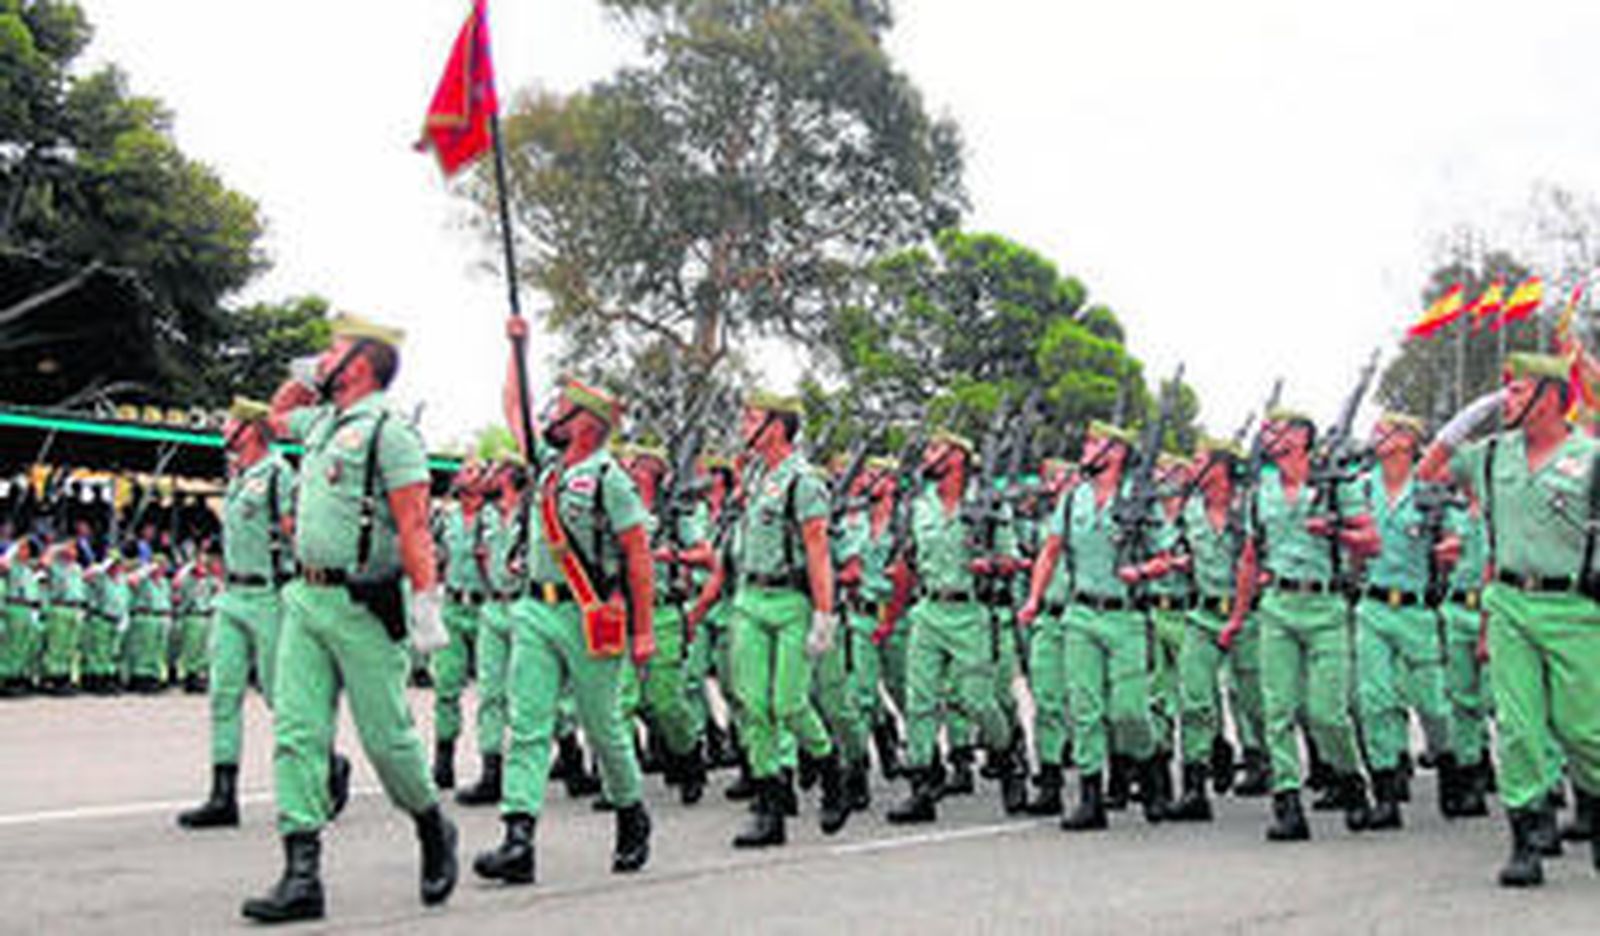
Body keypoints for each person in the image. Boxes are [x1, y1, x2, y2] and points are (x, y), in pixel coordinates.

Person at [243, 315, 457, 923]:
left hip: (363, 607)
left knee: (387, 741)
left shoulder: (392, 431)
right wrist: (304, 375)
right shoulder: (323, 422)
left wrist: (426, 604)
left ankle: (431, 823)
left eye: (335, 348)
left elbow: (414, 524)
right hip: (305, 600)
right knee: (297, 736)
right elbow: (274, 417)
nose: (323, 355)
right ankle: (301, 873)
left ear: (363, 361)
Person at [474, 317, 655, 885]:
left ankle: (631, 812)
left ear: (586, 424)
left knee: (603, 726)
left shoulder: (609, 478)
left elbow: (638, 557)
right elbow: (513, 403)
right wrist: (515, 347)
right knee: (527, 723)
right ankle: (518, 839)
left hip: (589, 615)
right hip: (533, 609)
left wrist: (643, 630)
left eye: (561, 412)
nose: (550, 417)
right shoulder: (549, 470)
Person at [1420, 352, 1600, 887]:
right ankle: (1526, 836)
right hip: (1509, 602)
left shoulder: (1591, 456)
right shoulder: (1492, 454)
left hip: (1575, 607)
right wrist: (1473, 413)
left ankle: (1593, 803)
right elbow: (1429, 469)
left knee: (1583, 729)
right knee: (1519, 728)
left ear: (1550, 398)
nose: (1509, 401)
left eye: (1519, 392)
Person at [178, 397, 352, 833]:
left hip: (271, 599)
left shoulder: (278, 474)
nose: (224, 428)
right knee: (223, 693)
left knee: (284, 701)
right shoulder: (237, 477)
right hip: (233, 596)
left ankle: (327, 765)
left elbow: (300, 530)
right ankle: (223, 795)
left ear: (252, 430)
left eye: (231, 422)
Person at [1222, 408, 1373, 842]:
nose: (1270, 437)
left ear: (1304, 437)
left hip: (1325, 606)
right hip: (1278, 606)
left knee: (1327, 713)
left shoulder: (1335, 484)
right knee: (1278, 708)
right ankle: (1287, 801)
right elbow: (1250, 558)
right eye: (1268, 431)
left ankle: (1350, 778)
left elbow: (1371, 540)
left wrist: (1337, 532)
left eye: (1280, 429)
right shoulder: (1260, 491)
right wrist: (1237, 615)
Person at [1020, 422, 1165, 831]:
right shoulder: (1073, 500)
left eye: (1095, 442)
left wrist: (1143, 570)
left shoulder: (1141, 499)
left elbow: (1169, 555)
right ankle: (1090, 797)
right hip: (1081, 614)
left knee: (1128, 710)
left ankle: (1150, 763)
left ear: (1117, 453)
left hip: (1127, 616)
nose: (1085, 448)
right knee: (1085, 708)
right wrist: (1034, 598)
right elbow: (1050, 553)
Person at [721, 391, 851, 847]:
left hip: (792, 601)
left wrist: (824, 614)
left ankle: (830, 766)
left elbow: (818, 550)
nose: (743, 424)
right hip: (750, 598)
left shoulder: (804, 481)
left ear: (776, 425)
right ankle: (769, 807)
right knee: (753, 706)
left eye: (752, 417)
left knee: (789, 703)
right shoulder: (757, 475)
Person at [887, 430, 1028, 825]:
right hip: (929, 609)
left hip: (971, 614)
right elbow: (908, 559)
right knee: (920, 702)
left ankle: (1007, 754)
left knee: (976, 700)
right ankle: (921, 786)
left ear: (958, 457)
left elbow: (1014, 559)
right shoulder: (920, 506)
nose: (927, 455)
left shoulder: (989, 504)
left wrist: (992, 565)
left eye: (935, 449)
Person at [1347, 412, 1458, 829]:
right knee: (1376, 700)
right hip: (1373, 606)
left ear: (1409, 440)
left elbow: (1454, 536)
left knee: (1432, 701)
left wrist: (1452, 547)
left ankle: (1449, 766)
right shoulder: (1359, 490)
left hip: (1417, 610)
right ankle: (1387, 793)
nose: (1376, 436)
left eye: (1385, 431)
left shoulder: (1430, 491)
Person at [432, 461, 493, 791]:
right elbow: (435, 556)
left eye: (475, 471)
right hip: (454, 606)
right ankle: (443, 761)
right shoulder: (445, 518)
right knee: (445, 684)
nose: (467, 476)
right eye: (465, 471)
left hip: (486, 609)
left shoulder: (496, 516)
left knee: (491, 690)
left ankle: (491, 764)